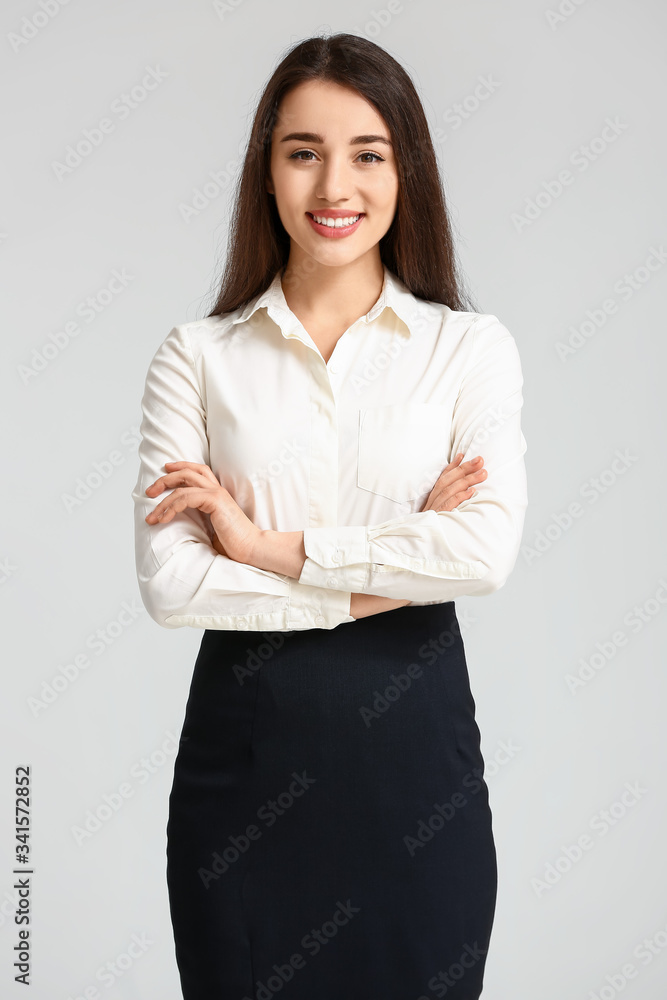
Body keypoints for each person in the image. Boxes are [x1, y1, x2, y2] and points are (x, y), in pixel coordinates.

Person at [131, 31, 528, 1000]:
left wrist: (262, 546)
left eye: (367, 152)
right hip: (245, 774)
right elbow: (175, 585)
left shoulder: (465, 351)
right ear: (265, 170)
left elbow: (479, 553)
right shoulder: (198, 356)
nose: (331, 185)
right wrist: (387, 569)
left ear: (407, 171)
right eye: (302, 151)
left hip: (414, 782)